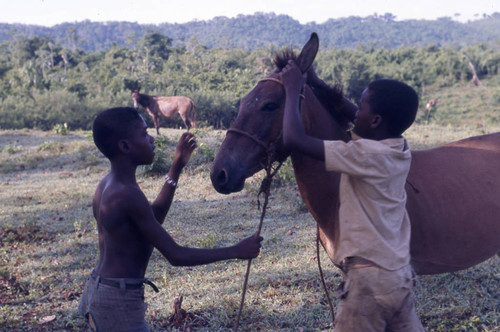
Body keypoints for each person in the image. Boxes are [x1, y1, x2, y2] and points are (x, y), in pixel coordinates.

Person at [78, 107, 263, 331]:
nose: (152, 138)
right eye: (144, 134)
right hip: (117, 302)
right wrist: (236, 250)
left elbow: (152, 218)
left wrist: (176, 167)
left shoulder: (108, 184)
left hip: (100, 290)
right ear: (125, 146)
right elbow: (176, 255)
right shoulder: (126, 194)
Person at [281, 61, 424, 332]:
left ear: (376, 121)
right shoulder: (398, 149)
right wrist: (318, 83)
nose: (354, 111)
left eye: (361, 106)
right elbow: (360, 117)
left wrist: (292, 90)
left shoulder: (364, 155)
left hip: (367, 283)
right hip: (399, 276)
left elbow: (293, 138)